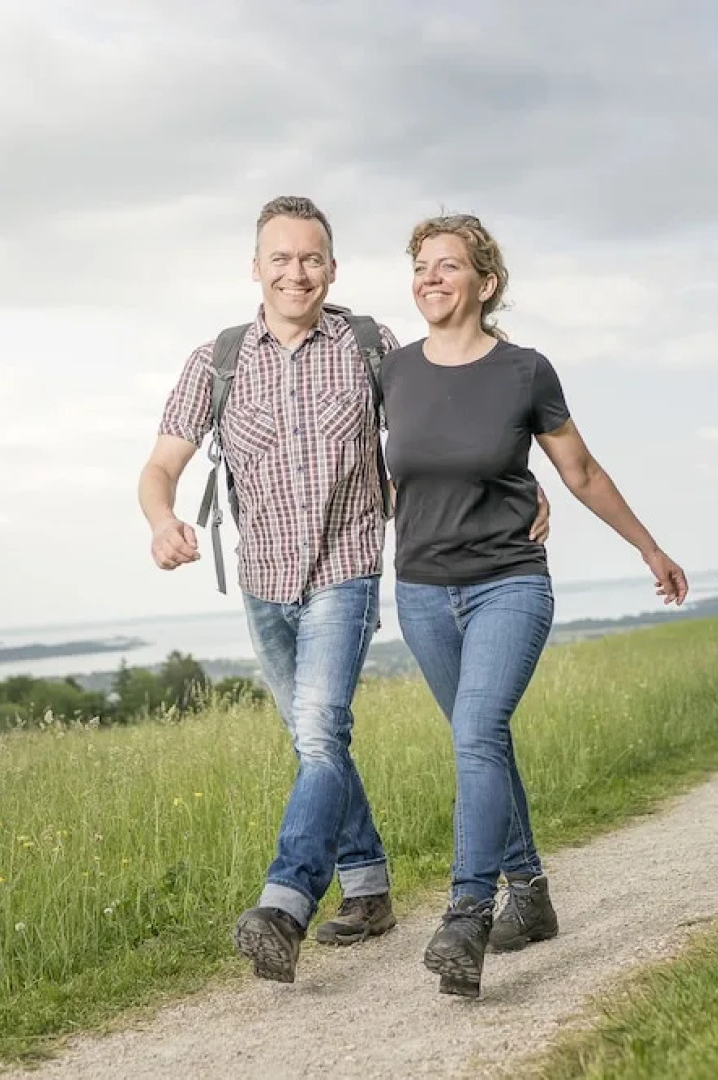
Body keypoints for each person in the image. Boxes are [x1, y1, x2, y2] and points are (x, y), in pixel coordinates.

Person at [137, 197, 551, 984]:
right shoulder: (216, 360)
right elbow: (161, 468)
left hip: (346, 569)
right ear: (256, 269)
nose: (298, 273)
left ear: (333, 267)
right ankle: (367, 888)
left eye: (313, 259)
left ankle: (285, 902)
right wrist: (162, 521)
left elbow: (452, 423)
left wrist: (518, 486)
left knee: (321, 730)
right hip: (262, 581)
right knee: (313, 741)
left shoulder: (371, 348)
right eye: (282, 259)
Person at [380, 213, 689, 998]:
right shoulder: (393, 371)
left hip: (508, 582)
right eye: (421, 265)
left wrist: (648, 548)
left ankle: (466, 914)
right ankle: (533, 895)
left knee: (478, 734)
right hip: (419, 591)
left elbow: (579, 469)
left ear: (486, 283)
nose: (431, 278)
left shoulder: (525, 371)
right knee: (481, 741)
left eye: (448, 265)